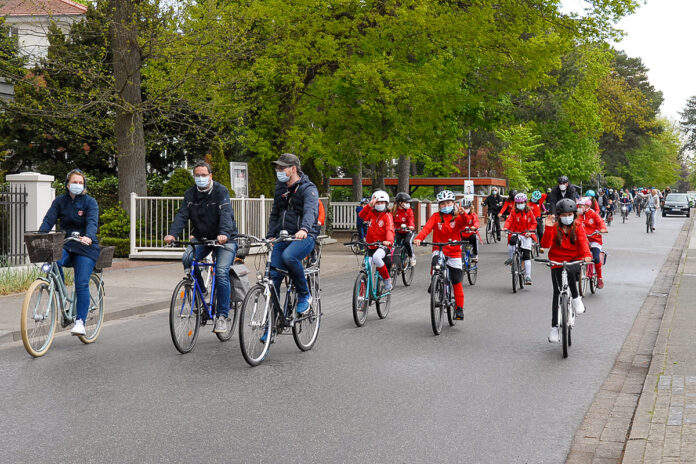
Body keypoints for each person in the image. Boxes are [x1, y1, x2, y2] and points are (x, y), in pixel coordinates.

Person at [165, 161, 238, 333]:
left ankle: (222, 316)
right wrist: (172, 234)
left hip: (224, 239)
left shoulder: (221, 191)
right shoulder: (190, 194)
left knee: (220, 272)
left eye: (204, 175)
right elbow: (182, 215)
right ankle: (203, 292)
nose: (200, 178)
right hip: (202, 238)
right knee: (187, 258)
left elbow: (226, 214)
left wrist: (224, 234)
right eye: (197, 175)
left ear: (210, 176)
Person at [39, 169, 100, 336]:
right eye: (74, 182)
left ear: (84, 185)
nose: (77, 185)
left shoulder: (90, 202)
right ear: (67, 184)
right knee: (52, 261)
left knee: (81, 283)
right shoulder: (60, 201)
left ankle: (80, 321)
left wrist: (88, 236)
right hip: (66, 243)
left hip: (85, 247)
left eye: (80, 183)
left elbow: (92, 222)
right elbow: (48, 220)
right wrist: (40, 235)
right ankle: (61, 292)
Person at [265, 153, 320, 314]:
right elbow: (275, 213)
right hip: (284, 236)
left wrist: (304, 229)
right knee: (273, 277)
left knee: (289, 257)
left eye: (282, 168)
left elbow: (310, 211)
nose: (278, 170)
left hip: (305, 236)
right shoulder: (280, 188)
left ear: (293, 169)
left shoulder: (308, 188)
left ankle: (304, 294)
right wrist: (270, 235)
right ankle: (272, 324)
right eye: (277, 168)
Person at [540, 199, 592, 343]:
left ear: (574, 215)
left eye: (569, 214)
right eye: (563, 214)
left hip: (574, 260)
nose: (567, 217)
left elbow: (583, 242)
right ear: (559, 216)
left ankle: (576, 299)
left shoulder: (578, 226)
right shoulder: (554, 226)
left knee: (570, 271)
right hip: (556, 261)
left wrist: (587, 255)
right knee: (557, 293)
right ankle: (554, 328)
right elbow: (545, 244)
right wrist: (548, 228)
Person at [414, 190, 468, 320]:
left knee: (456, 281)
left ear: (453, 203)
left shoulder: (457, 217)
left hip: (454, 251)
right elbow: (427, 228)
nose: (445, 206)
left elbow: (465, 223)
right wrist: (419, 238)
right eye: (442, 204)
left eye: (448, 203)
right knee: (435, 263)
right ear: (439, 205)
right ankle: (435, 281)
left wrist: (464, 214)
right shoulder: (435, 216)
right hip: (439, 248)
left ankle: (459, 309)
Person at [359, 190, 395, 291]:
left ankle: (387, 280)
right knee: (367, 269)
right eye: (377, 203)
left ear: (386, 204)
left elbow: (390, 229)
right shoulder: (371, 213)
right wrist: (369, 205)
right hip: (371, 245)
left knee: (376, 257)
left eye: (382, 203)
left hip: (382, 245)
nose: (379, 205)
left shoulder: (387, 216)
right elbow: (361, 215)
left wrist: (388, 240)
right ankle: (365, 294)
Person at [503, 193, 537, 285]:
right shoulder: (513, 212)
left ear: (525, 202)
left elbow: (534, 223)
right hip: (516, 232)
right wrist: (506, 228)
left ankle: (528, 276)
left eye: (521, 202)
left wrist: (530, 231)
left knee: (526, 256)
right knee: (511, 243)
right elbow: (509, 220)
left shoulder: (529, 212)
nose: (520, 204)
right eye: (518, 203)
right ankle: (510, 258)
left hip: (526, 234)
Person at [577, 197, 608, 289]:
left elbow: (601, 222)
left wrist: (603, 229)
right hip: (583, 239)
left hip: (595, 239)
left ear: (587, 206)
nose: (578, 208)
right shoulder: (578, 215)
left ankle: (599, 277)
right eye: (578, 206)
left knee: (596, 258)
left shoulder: (593, 214)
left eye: (580, 206)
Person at [391, 192, 416, 266]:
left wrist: (411, 226)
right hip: (397, 231)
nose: (408, 204)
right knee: (394, 244)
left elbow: (411, 219)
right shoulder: (393, 211)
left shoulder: (409, 211)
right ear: (400, 203)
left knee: (407, 242)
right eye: (406, 202)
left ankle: (411, 256)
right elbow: (390, 221)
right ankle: (394, 261)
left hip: (407, 231)